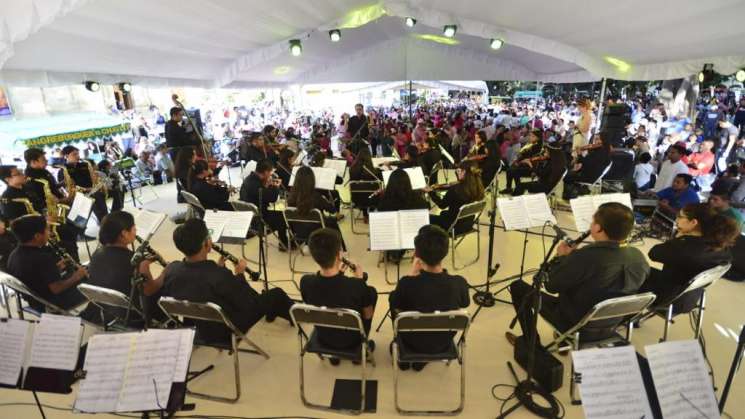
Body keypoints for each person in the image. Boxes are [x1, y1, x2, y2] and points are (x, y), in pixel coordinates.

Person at [506, 203, 649, 346]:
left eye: (593, 222)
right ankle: (564, 340)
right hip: (612, 322)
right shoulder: (639, 257)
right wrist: (574, 259)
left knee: (518, 287)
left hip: (576, 324)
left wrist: (563, 257)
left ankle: (530, 343)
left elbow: (551, 286)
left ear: (598, 228)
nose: (591, 225)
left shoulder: (586, 256)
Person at [162, 219, 293, 342]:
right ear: (206, 244)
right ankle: (294, 316)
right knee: (277, 294)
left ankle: (272, 311)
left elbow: (198, 285)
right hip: (227, 328)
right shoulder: (220, 276)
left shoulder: (172, 269)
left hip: (199, 326)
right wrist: (240, 275)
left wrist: (219, 270)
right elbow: (247, 301)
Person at [389, 225, 470, 371]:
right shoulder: (459, 283)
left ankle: (403, 349)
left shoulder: (406, 284)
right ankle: (422, 360)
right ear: (444, 253)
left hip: (411, 341)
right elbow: (465, 302)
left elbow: (396, 304)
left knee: (393, 298)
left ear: (417, 255)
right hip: (441, 343)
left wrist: (412, 274)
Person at [640, 203, 738, 312]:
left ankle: (624, 314)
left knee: (629, 270)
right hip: (689, 297)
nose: (676, 220)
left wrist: (678, 239)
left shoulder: (684, 248)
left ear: (693, 222)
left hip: (667, 297)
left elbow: (653, 253)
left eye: (680, 217)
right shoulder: (720, 247)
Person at [300, 228, 377, 364]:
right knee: (371, 293)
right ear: (338, 255)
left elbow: (323, 299)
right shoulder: (356, 286)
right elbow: (368, 315)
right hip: (352, 340)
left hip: (324, 338)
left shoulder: (305, 282)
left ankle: (334, 356)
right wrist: (360, 281)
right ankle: (361, 346)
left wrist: (342, 276)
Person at [87, 211, 164, 324]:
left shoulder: (96, 254)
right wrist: (165, 273)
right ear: (124, 233)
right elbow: (149, 290)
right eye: (134, 228)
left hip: (106, 308)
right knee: (167, 284)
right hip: (131, 313)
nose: (136, 231)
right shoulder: (135, 261)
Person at [6, 215, 88, 312]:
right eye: (47, 230)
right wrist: (77, 276)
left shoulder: (13, 255)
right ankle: (91, 315)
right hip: (50, 303)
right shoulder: (42, 258)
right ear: (37, 236)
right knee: (94, 282)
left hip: (34, 300)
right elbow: (57, 288)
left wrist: (55, 268)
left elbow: (34, 275)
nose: (50, 233)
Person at [0, 165, 79, 259]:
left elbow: (40, 205)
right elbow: (14, 223)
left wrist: (50, 207)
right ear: (7, 179)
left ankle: (75, 263)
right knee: (66, 240)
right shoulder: (7, 198)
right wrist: (44, 220)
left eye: (21, 171)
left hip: (44, 223)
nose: (23, 174)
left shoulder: (27, 188)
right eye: (18, 174)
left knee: (69, 231)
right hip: (33, 232)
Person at [286, 166, 346, 250]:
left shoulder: (291, 197)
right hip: (316, 231)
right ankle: (341, 248)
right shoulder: (316, 197)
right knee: (332, 221)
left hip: (299, 233)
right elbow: (331, 209)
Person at [239, 159, 289, 249]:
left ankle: (287, 237)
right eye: (270, 172)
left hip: (250, 215)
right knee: (283, 208)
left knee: (282, 205)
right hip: (260, 218)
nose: (271, 174)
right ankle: (284, 242)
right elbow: (272, 199)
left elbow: (260, 195)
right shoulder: (257, 185)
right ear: (265, 172)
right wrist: (275, 187)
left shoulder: (248, 179)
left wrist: (266, 185)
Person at [428, 161, 484, 233]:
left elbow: (442, 205)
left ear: (463, 172)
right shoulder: (478, 186)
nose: (457, 173)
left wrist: (430, 192)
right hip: (467, 224)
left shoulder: (455, 190)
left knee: (425, 218)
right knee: (444, 213)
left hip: (453, 226)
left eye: (458, 170)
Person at [57, 145, 108, 223]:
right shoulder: (63, 170)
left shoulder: (84, 165)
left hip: (91, 191)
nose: (78, 156)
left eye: (78, 154)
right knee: (97, 196)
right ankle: (104, 221)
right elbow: (67, 189)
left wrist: (96, 178)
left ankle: (108, 217)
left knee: (115, 190)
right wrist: (88, 189)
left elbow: (93, 179)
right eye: (74, 154)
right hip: (78, 194)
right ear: (66, 156)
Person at [501, 129, 543, 194]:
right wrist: (517, 161)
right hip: (524, 164)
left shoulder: (538, 148)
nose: (530, 137)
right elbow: (523, 155)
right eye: (530, 136)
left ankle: (519, 189)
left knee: (514, 171)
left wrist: (520, 161)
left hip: (531, 168)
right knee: (509, 170)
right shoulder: (530, 144)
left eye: (533, 136)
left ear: (538, 138)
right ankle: (508, 188)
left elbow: (531, 159)